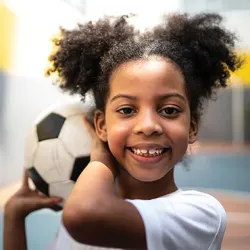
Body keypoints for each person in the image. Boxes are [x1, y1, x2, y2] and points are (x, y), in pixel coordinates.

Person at [4, 12, 243, 250]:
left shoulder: (201, 215)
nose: (148, 126)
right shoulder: (83, 210)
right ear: (101, 126)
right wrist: (13, 219)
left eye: (169, 110)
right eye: (127, 110)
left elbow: (85, 215)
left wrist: (101, 160)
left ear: (192, 127)